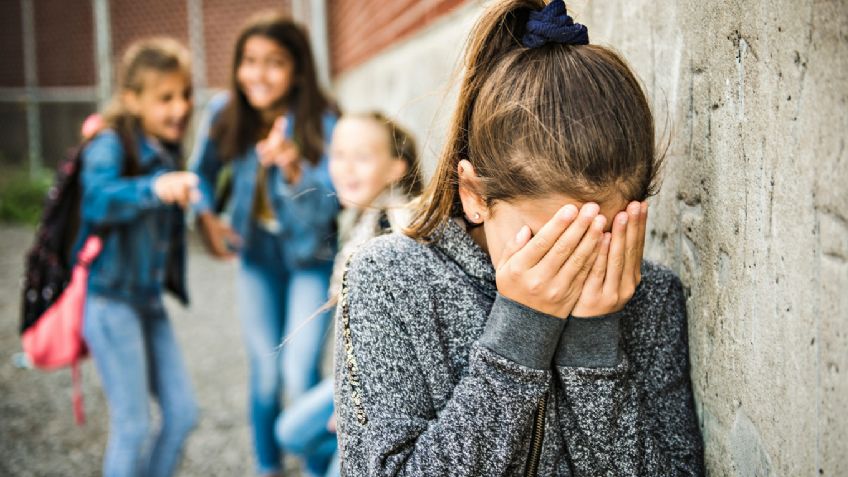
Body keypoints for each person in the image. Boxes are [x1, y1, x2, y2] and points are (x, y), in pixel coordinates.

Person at [333, 1, 705, 475]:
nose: (573, 262)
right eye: (549, 240)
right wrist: (519, 337)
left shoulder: (650, 298)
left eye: (600, 234)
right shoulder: (388, 279)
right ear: (474, 196)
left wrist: (594, 346)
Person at [190, 12, 339, 476]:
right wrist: (207, 219)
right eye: (249, 61)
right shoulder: (224, 113)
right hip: (257, 257)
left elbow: (330, 208)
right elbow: (200, 175)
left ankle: (319, 467)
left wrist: (294, 169)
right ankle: (267, 464)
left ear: (298, 69)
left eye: (274, 62)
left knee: (299, 371)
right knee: (266, 373)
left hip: (312, 259)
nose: (258, 74)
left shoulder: (324, 119)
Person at [275, 112, 422, 477]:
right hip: (357, 377)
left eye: (363, 156)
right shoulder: (359, 220)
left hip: (387, 389)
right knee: (290, 433)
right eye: (338, 155)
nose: (347, 168)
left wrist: (355, 407)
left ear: (395, 169)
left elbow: (401, 338)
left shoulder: (398, 227)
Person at [78, 37, 199, 477]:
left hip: (147, 301)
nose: (180, 107)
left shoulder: (166, 148)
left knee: (183, 414)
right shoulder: (110, 143)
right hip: (110, 302)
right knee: (132, 426)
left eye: (184, 95)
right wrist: (154, 188)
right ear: (132, 99)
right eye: (165, 97)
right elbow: (96, 200)